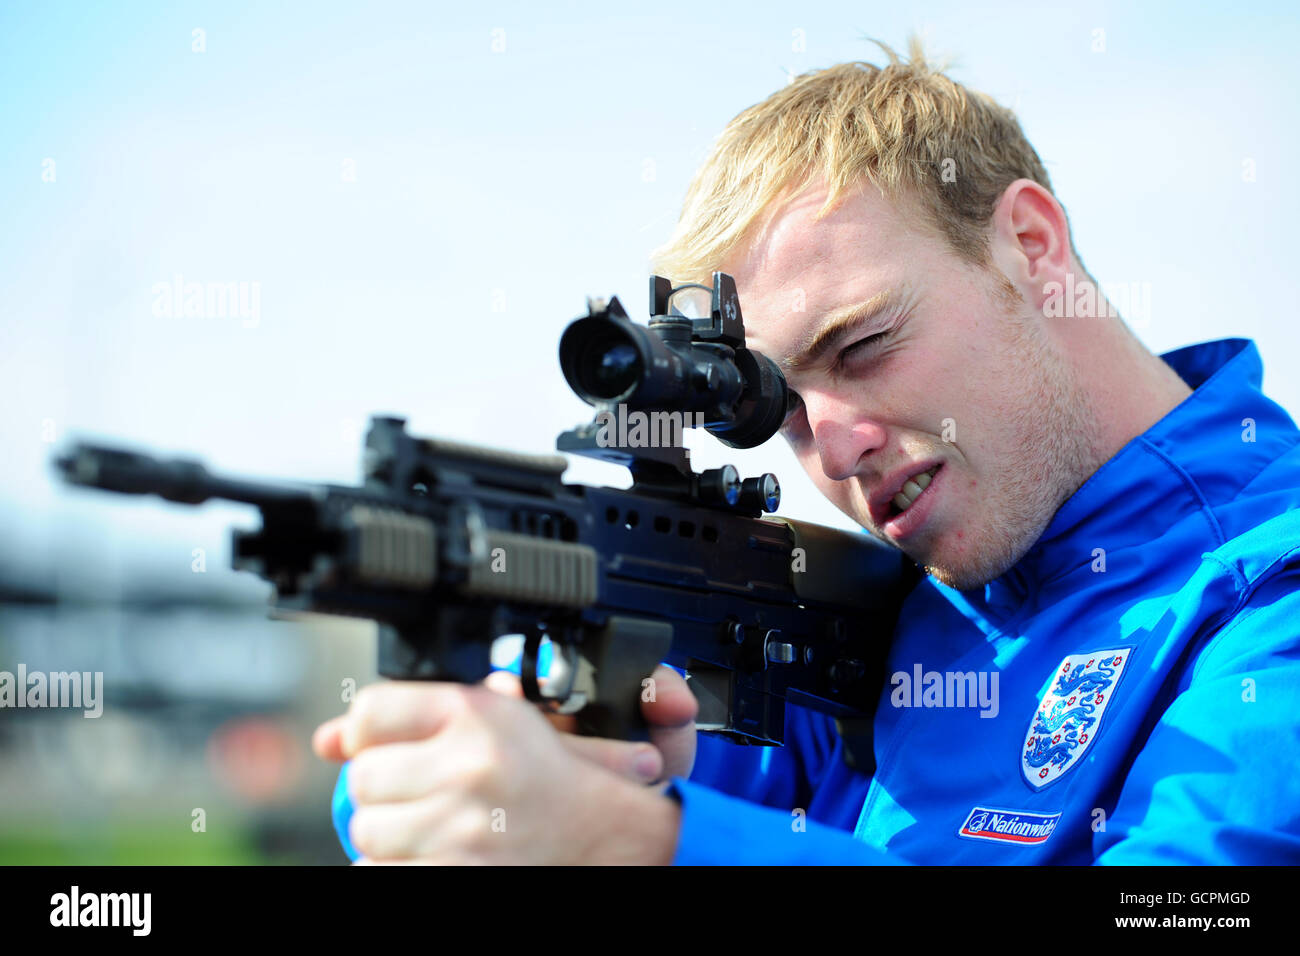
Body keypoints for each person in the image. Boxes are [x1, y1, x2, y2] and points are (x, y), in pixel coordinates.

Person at [313, 39, 1300, 864]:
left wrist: (639, 841)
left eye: (864, 344)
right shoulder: (847, 618)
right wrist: (490, 777)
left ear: (1030, 245)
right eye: (779, 405)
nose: (832, 442)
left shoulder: (1272, 590)